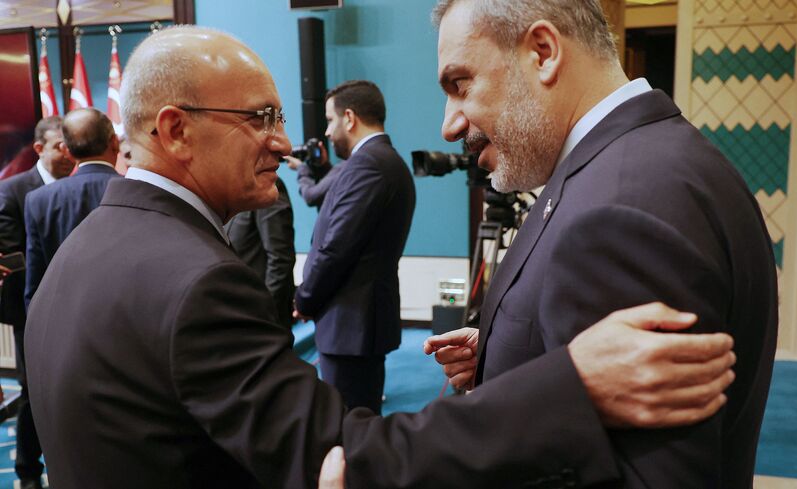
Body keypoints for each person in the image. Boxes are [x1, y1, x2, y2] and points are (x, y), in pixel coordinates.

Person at [25, 26, 737, 489]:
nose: (283, 140)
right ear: (176, 130)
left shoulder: (81, 247)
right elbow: (341, 460)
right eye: (260, 118)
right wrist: (571, 385)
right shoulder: (198, 282)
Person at [426, 1, 779, 488]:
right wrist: (505, 349)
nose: (450, 124)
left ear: (544, 52)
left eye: (460, 85)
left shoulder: (619, 207)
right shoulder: (652, 157)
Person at [294, 80, 414, 414]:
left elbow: (336, 249)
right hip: (357, 322)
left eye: (330, 121)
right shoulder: (383, 161)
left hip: (351, 323)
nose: (328, 133)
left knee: (348, 429)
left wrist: (305, 297)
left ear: (349, 117)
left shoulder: (368, 165)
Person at [0, 116, 72, 489]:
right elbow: (12, 257)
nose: (68, 152)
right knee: (33, 393)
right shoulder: (13, 190)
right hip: (29, 313)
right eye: (60, 145)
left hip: (78, 310)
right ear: (40, 148)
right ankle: (29, 473)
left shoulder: (80, 185)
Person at [24, 108, 121, 309]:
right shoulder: (139, 189)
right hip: (127, 322)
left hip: (62, 322)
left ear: (67, 150)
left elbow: (35, 283)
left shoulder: (38, 201)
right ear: (115, 142)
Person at [225, 177, 295, 325]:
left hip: (260, 319)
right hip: (232, 313)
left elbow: (280, 258)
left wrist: (263, 312)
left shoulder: (265, 185)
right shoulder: (228, 188)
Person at [285, 141, 340, 208]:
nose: (327, 133)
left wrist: (300, 167)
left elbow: (310, 196)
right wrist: (325, 165)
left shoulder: (346, 167)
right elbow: (331, 184)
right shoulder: (343, 169)